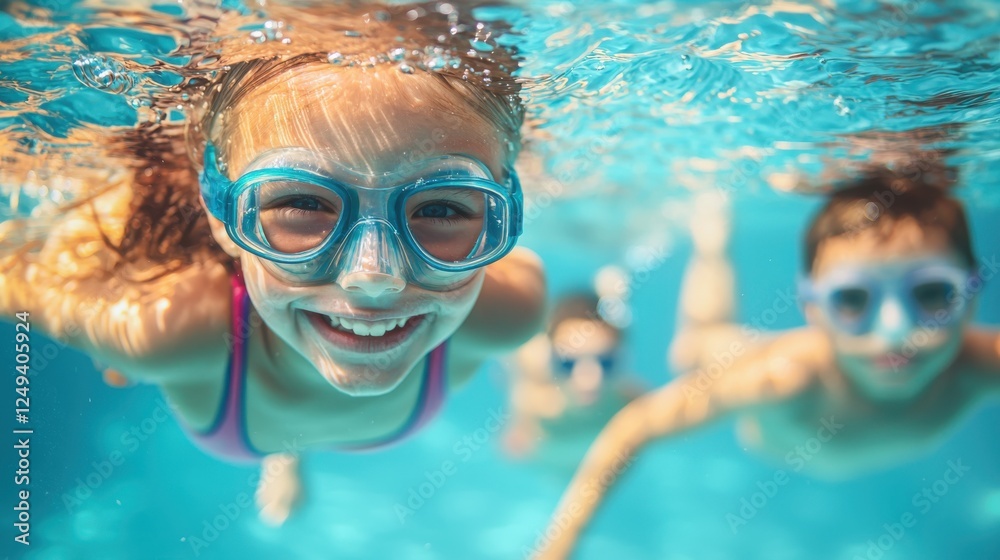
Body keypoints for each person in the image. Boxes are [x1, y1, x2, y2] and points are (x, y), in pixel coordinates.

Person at [0, 1, 545, 526]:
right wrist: (100, 307)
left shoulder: (513, 310)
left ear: (503, 218)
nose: (374, 276)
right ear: (220, 212)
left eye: (442, 207)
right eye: (303, 204)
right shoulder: (163, 329)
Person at [533, 163, 999, 559]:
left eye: (934, 294)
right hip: (749, 359)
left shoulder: (984, 362)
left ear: (973, 294)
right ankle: (711, 231)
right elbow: (636, 426)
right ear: (812, 306)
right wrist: (558, 548)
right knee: (699, 346)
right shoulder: (782, 381)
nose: (895, 331)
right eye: (854, 300)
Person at [503, 293, 642, 474]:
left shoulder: (633, 403)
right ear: (552, 362)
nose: (589, 381)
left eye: (605, 363)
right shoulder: (533, 403)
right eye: (568, 364)